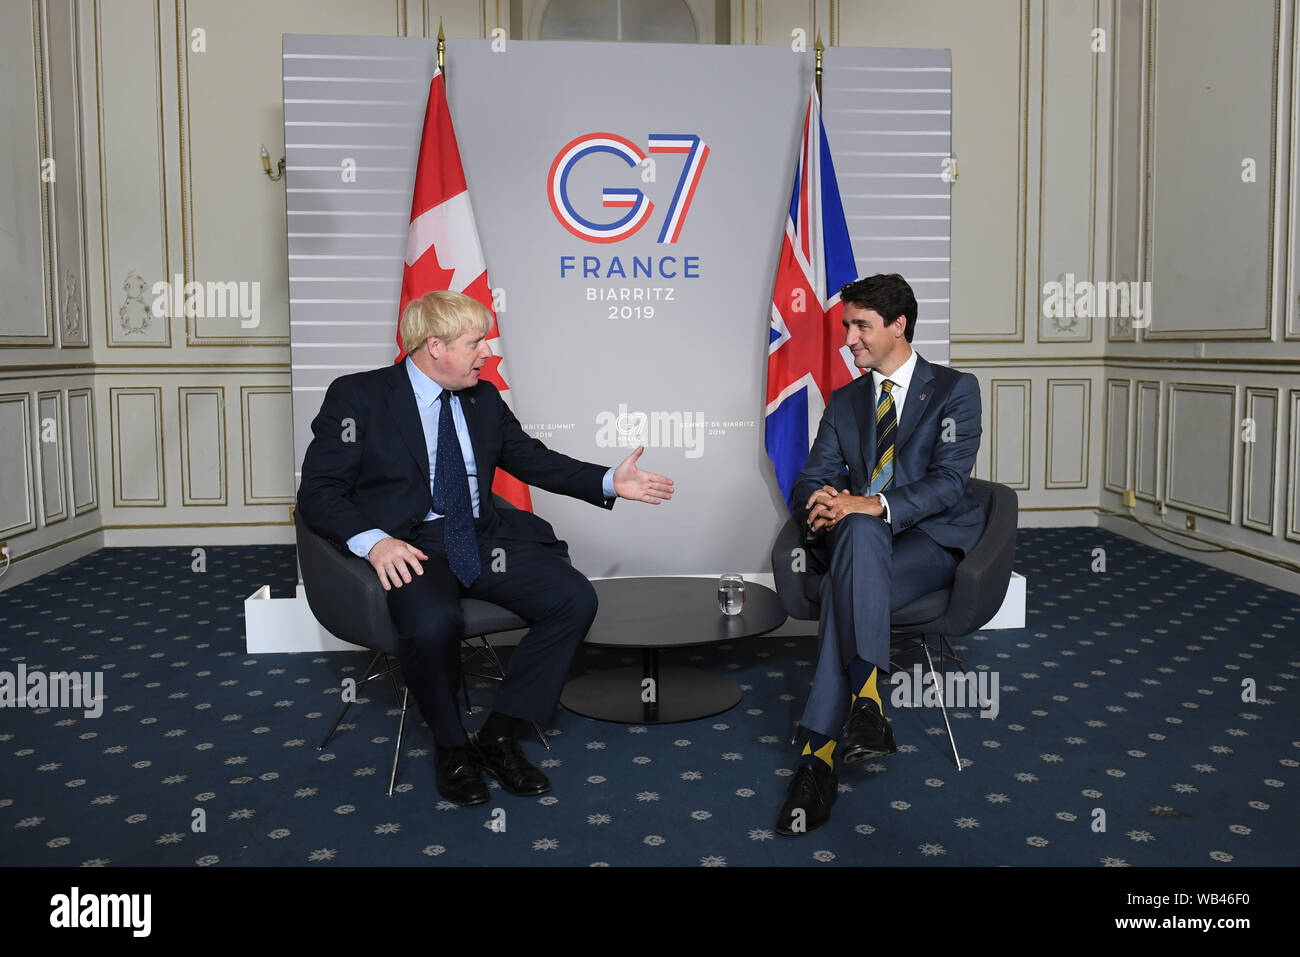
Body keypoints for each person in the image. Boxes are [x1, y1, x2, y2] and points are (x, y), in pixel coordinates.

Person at [297, 290, 674, 807]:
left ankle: (499, 735)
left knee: (573, 599)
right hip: (410, 544)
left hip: (481, 539)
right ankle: (452, 749)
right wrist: (377, 542)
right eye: (476, 342)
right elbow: (319, 492)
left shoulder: (484, 397)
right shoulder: (359, 397)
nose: (485, 354)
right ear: (435, 346)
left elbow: (533, 460)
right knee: (433, 624)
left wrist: (608, 480)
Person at [776, 273, 987, 835]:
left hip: (928, 541)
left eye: (861, 326)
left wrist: (871, 504)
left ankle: (816, 759)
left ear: (899, 325)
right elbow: (811, 477)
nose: (849, 338)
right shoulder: (846, 401)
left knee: (860, 539)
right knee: (859, 533)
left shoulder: (953, 390)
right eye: (847, 325)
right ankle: (866, 707)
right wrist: (819, 504)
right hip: (859, 542)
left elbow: (948, 482)